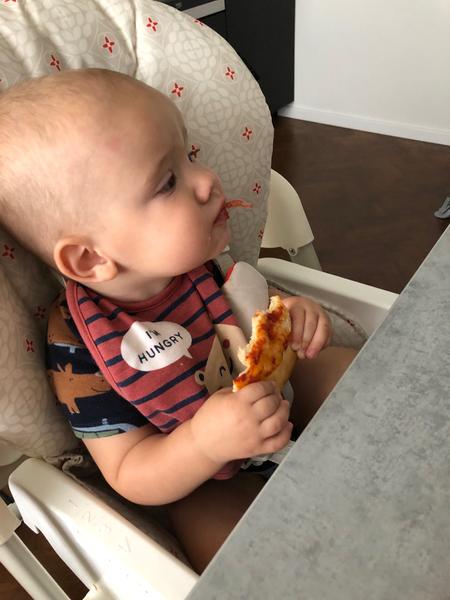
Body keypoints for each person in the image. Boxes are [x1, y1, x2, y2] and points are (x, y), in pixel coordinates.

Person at [0, 69, 357, 573]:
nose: (207, 178)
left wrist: (295, 317)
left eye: (189, 156)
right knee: (232, 550)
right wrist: (204, 444)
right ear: (89, 259)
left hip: (275, 396)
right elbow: (128, 470)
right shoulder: (81, 349)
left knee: (352, 373)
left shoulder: (194, 263)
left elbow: (250, 314)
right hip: (199, 473)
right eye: (168, 182)